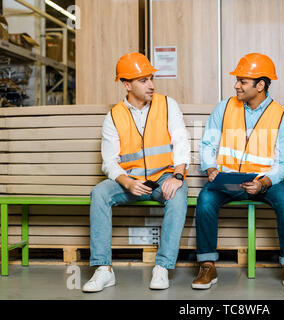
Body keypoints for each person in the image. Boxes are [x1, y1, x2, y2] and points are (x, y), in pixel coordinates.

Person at [192, 53, 284, 293]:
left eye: (243, 81)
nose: (236, 85)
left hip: (266, 181)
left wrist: (264, 182)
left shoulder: (281, 118)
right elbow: (208, 144)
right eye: (238, 80)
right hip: (228, 179)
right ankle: (207, 265)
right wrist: (210, 168)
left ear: (261, 85)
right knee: (205, 200)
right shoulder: (224, 108)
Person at [82, 52, 190, 292]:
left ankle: (162, 267)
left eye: (151, 78)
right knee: (99, 193)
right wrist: (127, 182)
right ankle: (103, 269)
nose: (151, 85)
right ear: (126, 84)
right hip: (131, 182)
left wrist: (178, 175)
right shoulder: (114, 116)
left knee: (179, 195)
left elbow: (182, 142)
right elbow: (109, 162)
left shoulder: (167, 104)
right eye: (143, 80)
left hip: (164, 178)